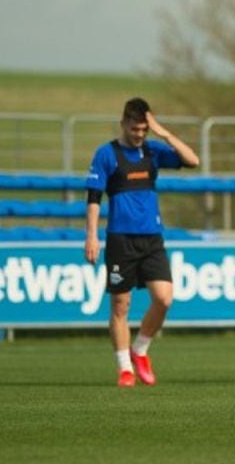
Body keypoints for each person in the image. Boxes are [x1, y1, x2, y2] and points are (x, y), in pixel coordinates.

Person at [84, 98, 199, 388]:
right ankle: (125, 368)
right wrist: (91, 235)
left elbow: (192, 160)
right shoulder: (106, 154)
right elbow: (94, 199)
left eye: (144, 130)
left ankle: (140, 350)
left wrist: (163, 133)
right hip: (120, 240)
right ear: (123, 123)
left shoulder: (152, 150)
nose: (139, 135)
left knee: (164, 299)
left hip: (152, 238)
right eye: (135, 129)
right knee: (120, 306)